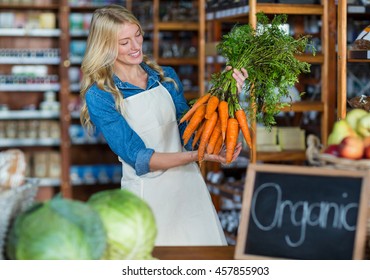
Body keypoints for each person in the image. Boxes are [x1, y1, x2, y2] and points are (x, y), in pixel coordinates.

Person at [80, 4, 248, 246]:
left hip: (190, 193)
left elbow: (189, 135)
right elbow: (140, 158)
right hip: (147, 199)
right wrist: (198, 155)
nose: (136, 46)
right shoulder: (101, 95)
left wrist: (226, 95)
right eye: (124, 42)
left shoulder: (165, 77)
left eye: (137, 35)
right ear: (105, 46)